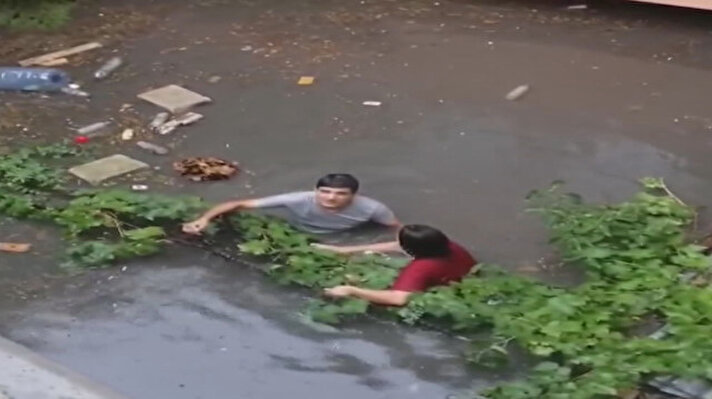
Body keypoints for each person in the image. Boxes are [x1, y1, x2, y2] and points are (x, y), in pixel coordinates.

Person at [182, 173, 400, 235]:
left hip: (339, 238)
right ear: (316, 191)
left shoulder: (372, 208)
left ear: (353, 195)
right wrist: (204, 218)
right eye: (325, 192)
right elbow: (239, 204)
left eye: (340, 194)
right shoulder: (296, 199)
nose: (331, 198)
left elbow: (394, 227)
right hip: (297, 230)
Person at [322, 225, 477, 306]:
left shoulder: (420, 268)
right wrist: (342, 251)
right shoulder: (450, 246)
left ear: (409, 249)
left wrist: (350, 290)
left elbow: (399, 299)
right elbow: (397, 246)